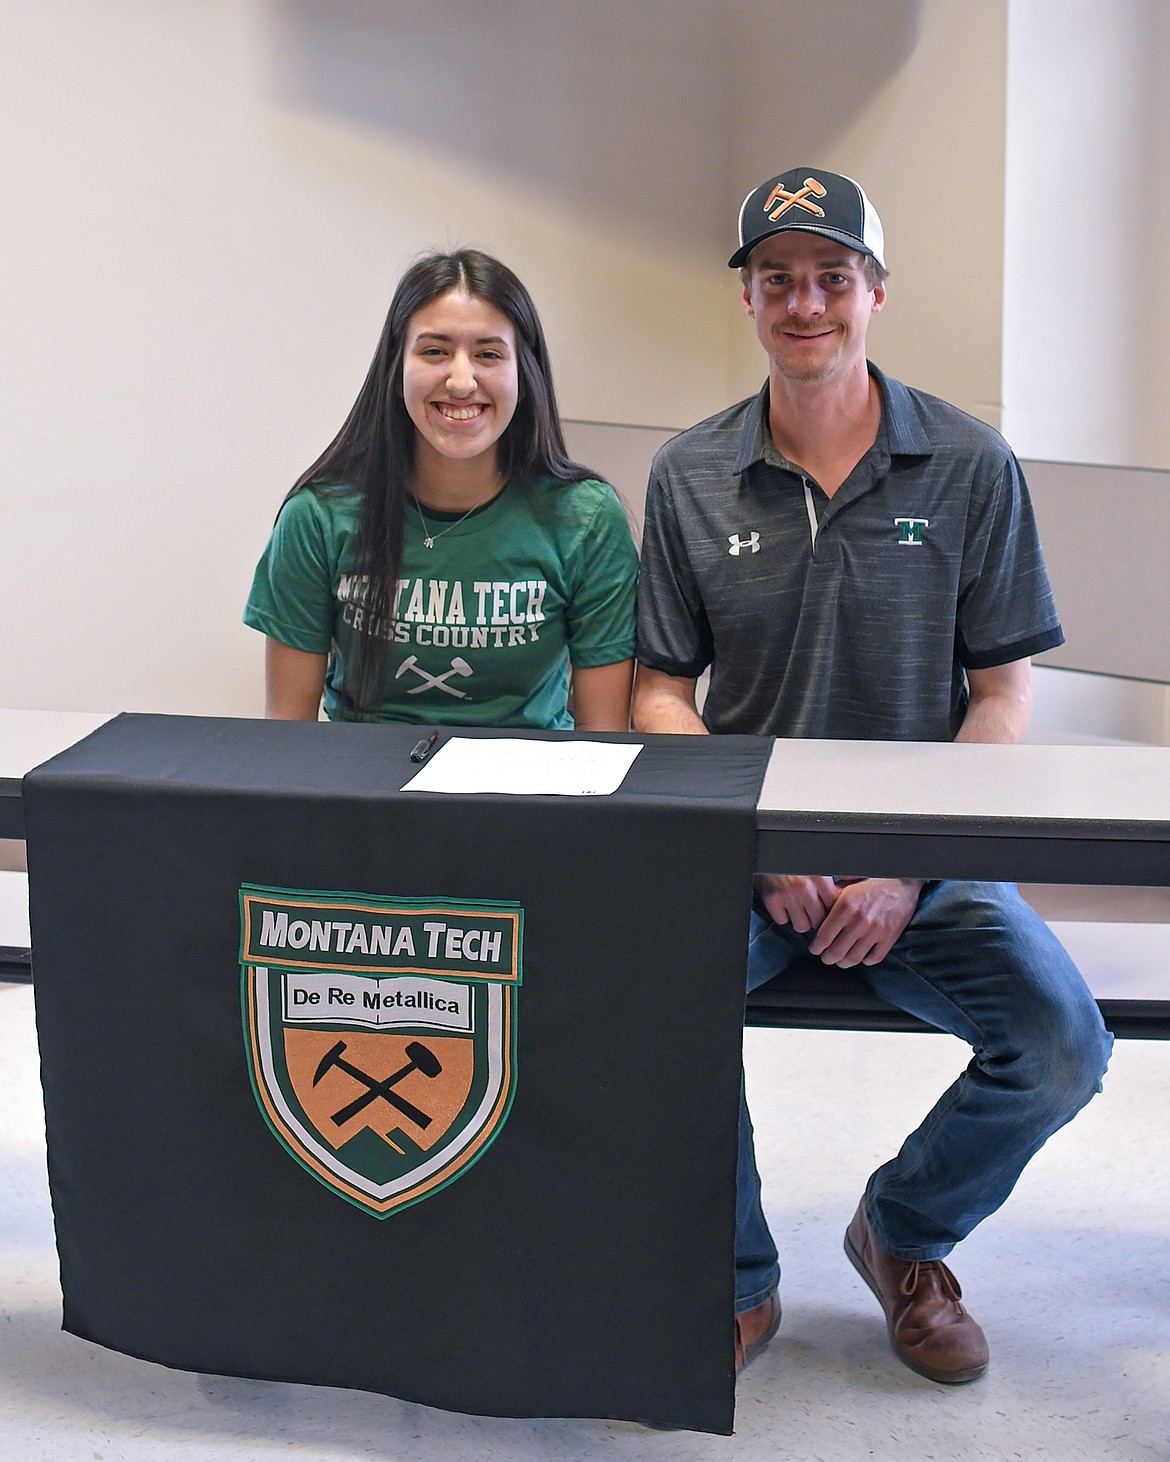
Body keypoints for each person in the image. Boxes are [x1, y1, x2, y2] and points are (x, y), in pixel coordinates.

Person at [632, 167, 1113, 1384]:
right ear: (747, 299)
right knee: (647, 1003)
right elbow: (657, 693)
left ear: (876, 293)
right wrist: (759, 842)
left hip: (927, 866)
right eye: (778, 279)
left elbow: (1004, 697)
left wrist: (906, 862)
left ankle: (902, 1234)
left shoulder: (970, 463)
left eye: (831, 278)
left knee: (1062, 1042)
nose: (807, 303)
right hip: (752, 863)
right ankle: (737, 1279)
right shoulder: (689, 474)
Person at [245, 249, 637, 731]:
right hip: (360, 792)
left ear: (525, 372)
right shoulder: (318, 516)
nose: (461, 380)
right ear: (396, 366)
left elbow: (605, 740)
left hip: (528, 795)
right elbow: (286, 732)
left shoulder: (586, 520)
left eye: (489, 354)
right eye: (434, 351)